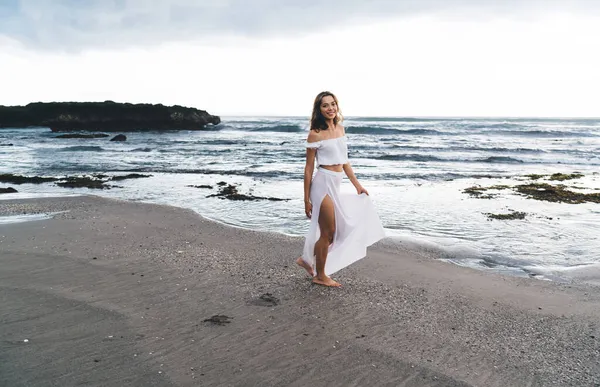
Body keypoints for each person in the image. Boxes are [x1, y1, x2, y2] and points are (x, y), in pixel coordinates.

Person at [296, 91, 386, 287]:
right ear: (319, 110)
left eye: (333, 104)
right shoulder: (315, 134)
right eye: (325, 105)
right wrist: (306, 200)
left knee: (334, 231)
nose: (330, 108)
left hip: (336, 182)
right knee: (329, 232)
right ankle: (320, 275)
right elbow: (309, 168)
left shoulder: (340, 129)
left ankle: (306, 259)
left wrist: (358, 186)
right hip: (322, 184)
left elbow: (344, 162)